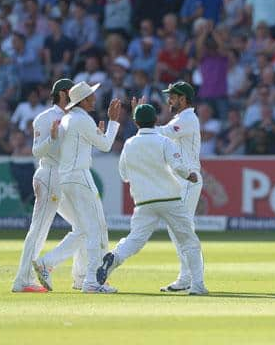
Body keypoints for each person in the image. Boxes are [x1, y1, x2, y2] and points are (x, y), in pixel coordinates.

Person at [95, 104, 207, 295]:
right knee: (189, 240)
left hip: (143, 201)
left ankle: (114, 257)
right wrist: (190, 175)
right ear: (155, 121)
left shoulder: (129, 144)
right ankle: (197, 285)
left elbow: (124, 175)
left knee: (134, 240)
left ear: (136, 122)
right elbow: (177, 166)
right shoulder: (164, 141)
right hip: (169, 198)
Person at [33, 82, 122, 293]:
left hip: (66, 178)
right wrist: (113, 122)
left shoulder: (68, 119)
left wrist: (96, 135)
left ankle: (50, 264)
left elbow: (79, 145)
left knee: (83, 229)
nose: (94, 98)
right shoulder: (82, 119)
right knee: (96, 229)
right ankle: (92, 281)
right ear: (83, 101)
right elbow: (107, 145)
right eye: (91, 95)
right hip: (80, 176)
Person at [11, 79, 86, 293]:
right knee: (39, 228)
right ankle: (22, 280)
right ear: (63, 93)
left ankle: (81, 277)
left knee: (84, 226)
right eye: (72, 93)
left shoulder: (72, 117)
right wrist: (53, 139)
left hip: (63, 177)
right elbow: (36, 151)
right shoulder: (46, 118)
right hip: (50, 175)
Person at [136, 81, 203, 292]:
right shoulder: (181, 118)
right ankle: (187, 277)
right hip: (182, 180)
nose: (169, 100)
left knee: (181, 229)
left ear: (183, 99)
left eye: (173, 96)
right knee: (180, 229)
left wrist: (141, 121)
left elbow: (163, 133)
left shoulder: (188, 119)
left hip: (189, 179)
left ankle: (191, 279)